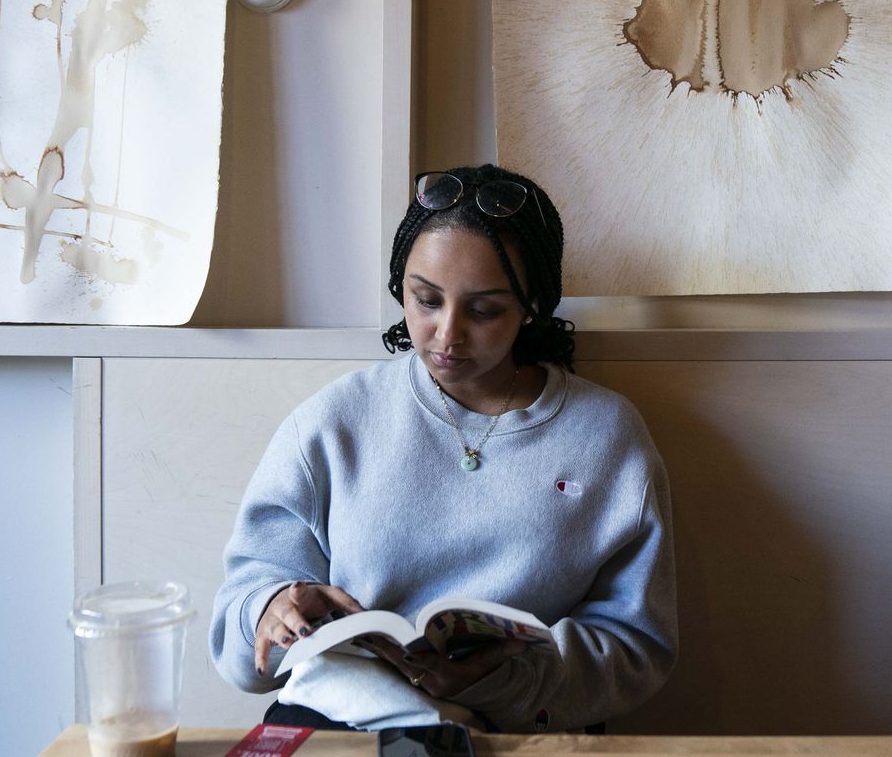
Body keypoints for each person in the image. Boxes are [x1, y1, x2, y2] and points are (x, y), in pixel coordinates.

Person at [209, 164, 676, 732]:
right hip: (342, 716)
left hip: (519, 728)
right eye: (426, 299)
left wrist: (506, 681)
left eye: (484, 310)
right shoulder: (336, 421)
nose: (448, 334)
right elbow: (244, 627)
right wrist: (270, 608)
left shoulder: (605, 434)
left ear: (532, 305)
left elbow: (637, 645)